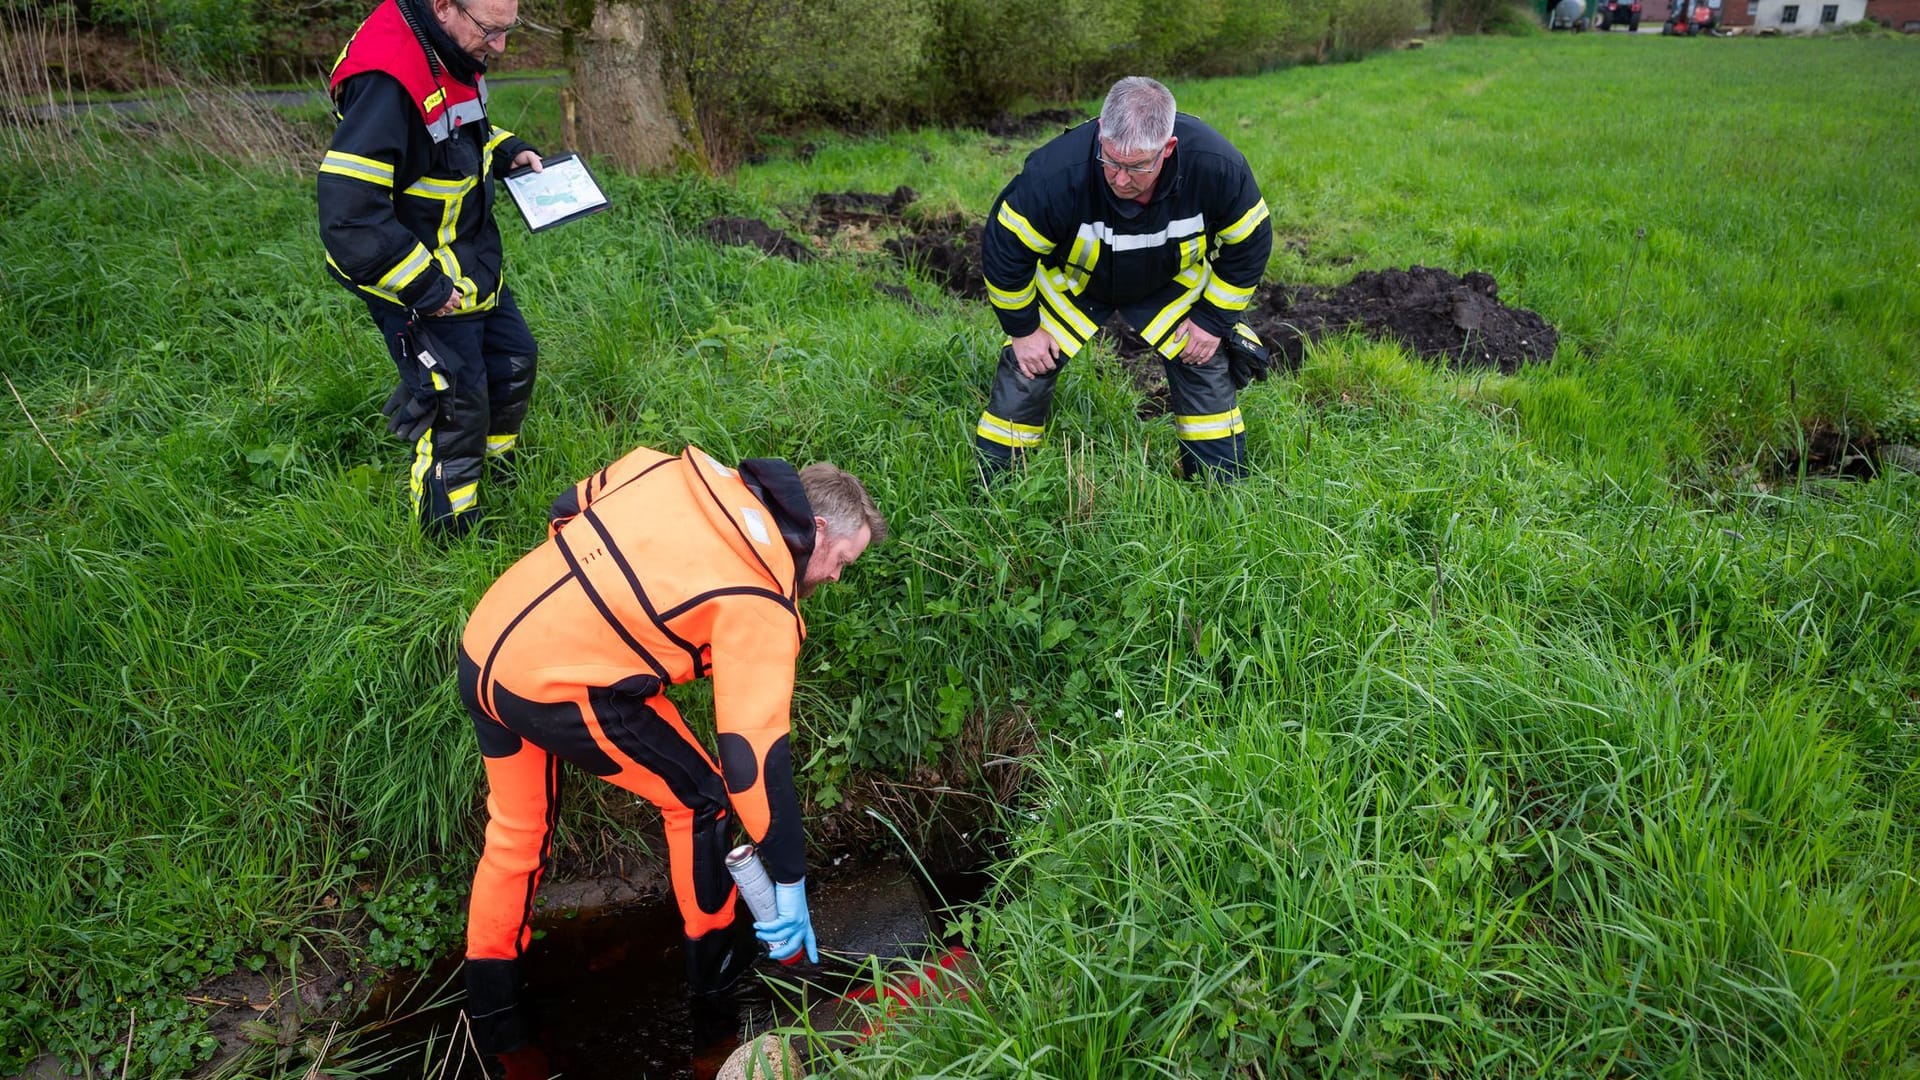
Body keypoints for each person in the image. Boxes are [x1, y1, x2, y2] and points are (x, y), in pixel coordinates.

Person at [456, 444, 886, 1059]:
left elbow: (565, 510)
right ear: (816, 531)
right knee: (702, 798)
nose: (837, 577)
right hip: (557, 688)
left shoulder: (673, 469)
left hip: (487, 642)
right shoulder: (759, 599)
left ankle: (493, 1016)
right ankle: (715, 982)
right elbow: (753, 761)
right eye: (843, 561)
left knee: (516, 832)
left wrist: (608, 620)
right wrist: (788, 880)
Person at [974, 76, 1275, 482]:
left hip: (1170, 284)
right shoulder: (1054, 174)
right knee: (1027, 367)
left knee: (1204, 360)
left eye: (1136, 167)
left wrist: (1211, 320)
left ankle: (1220, 490)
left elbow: (1250, 242)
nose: (1119, 179)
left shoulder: (1215, 165)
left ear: (1168, 149)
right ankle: (997, 487)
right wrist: (1023, 330)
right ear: (1100, 131)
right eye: (1111, 161)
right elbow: (1004, 248)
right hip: (1074, 282)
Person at [318, 0, 543, 536]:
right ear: (444, 6)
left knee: (513, 362)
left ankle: (495, 469)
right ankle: (450, 531)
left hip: (471, 261)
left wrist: (505, 148)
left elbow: (457, 132)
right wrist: (424, 288)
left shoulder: (447, 45)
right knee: (455, 403)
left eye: (510, 30)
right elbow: (350, 216)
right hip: (423, 277)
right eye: (491, 31)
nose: (500, 46)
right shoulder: (388, 80)